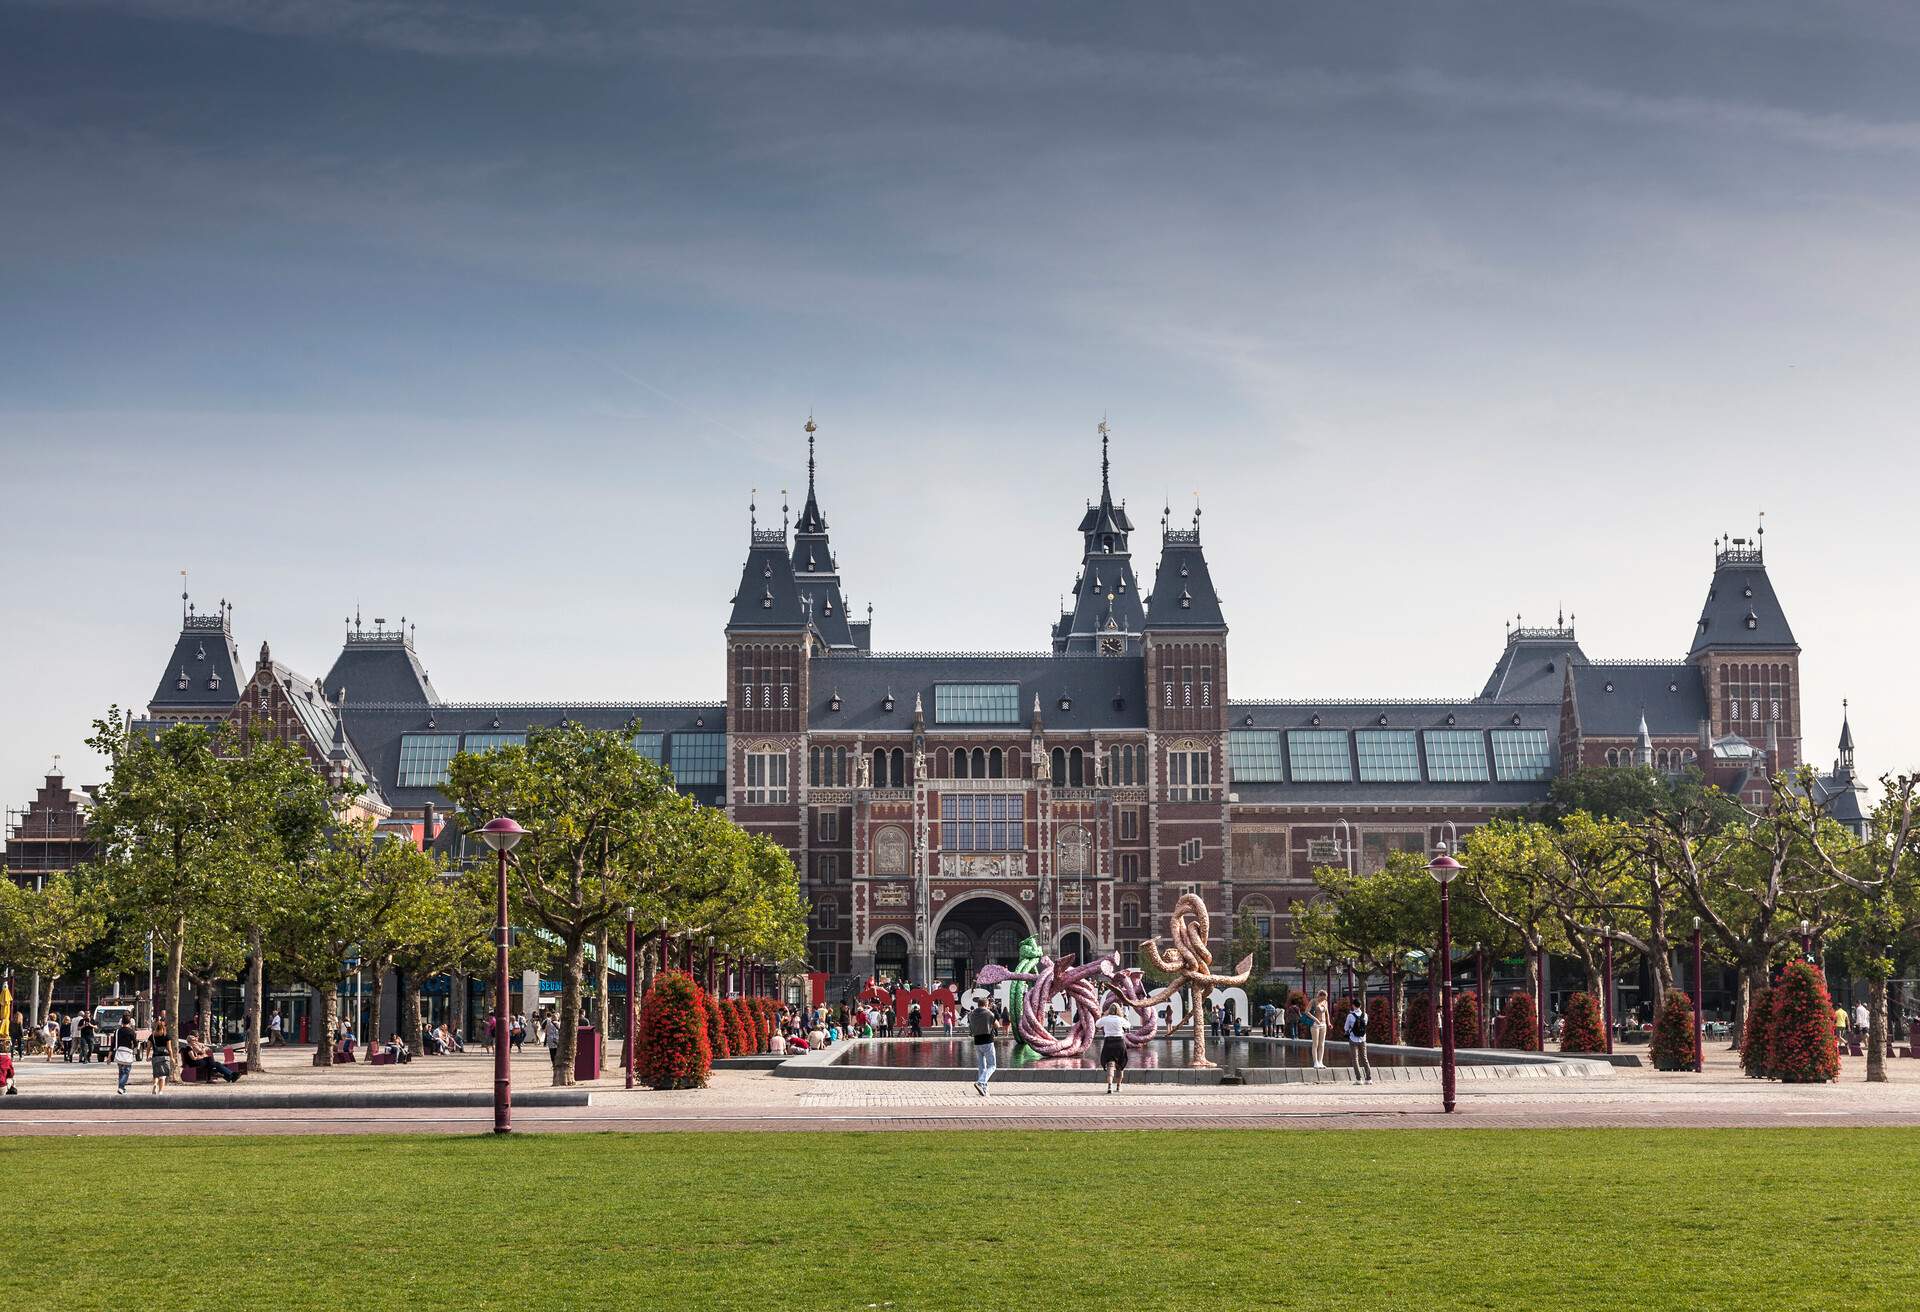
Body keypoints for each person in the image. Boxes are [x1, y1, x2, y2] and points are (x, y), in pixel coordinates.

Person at [968, 994, 1000, 1097]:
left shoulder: (971, 1014)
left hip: (977, 1041)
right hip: (987, 1040)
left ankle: (984, 1089)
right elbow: (997, 1025)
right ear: (986, 1004)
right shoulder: (989, 1013)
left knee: (982, 1066)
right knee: (992, 1065)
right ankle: (981, 1082)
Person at [1096, 1001, 1130, 1094]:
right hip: (1119, 1042)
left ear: (1109, 1010)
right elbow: (1128, 1026)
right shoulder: (1120, 1019)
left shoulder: (1106, 1019)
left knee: (1110, 1065)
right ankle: (1119, 1087)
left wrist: (1103, 1015)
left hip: (1108, 1042)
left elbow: (1097, 1024)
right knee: (1120, 1066)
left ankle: (1109, 1086)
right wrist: (1123, 1017)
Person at [1344, 997, 1372, 1083]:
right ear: (1360, 1005)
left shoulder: (1350, 1016)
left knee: (1355, 1059)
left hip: (1353, 1039)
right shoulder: (1365, 1015)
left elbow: (1345, 1028)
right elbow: (1365, 1024)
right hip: (1363, 1039)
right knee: (1364, 1058)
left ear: (1353, 1005)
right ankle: (1369, 1078)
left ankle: (1359, 1079)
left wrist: (1348, 1030)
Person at [113, 1016, 138, 1094]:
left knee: (121, 1071)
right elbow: (135, 1043)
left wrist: (110, 1055)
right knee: (126, 1072)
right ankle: (121, 1087)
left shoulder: (117, 1031)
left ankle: (122, 1088)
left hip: (119, 1052)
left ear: (121, 1022)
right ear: (130, 1022)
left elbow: (113, 1044)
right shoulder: (131, 1032)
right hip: (127, 1053)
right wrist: (134, 1049)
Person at [150, 1019, 172, 1093]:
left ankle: (155, 1084)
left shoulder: (152, 1036)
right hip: (164, 1057)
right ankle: (160, 1091)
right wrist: (172, 1057)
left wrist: (147, 1056)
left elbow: (148, 1047)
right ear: (164, 1027)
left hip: (155, 1056)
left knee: (156, 1074)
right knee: (163, 1075)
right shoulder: (166, 1036)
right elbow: (169, 1048)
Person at [1310, 990, 1330, 1069]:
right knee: (1315, 1043)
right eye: (1323, 998)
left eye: (1325, 998)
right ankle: (1315, 1062)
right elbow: (1307, 1012)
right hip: (1315, 1024)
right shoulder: (1313, 1001)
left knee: (1322, 1044)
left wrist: (1329, 1023)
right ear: (1320, 996)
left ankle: (1320, 1061)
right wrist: (1315, 1019)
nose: (1323, 1000)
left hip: (1323, 1024)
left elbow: (1327, 1013)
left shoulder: (1325, 1002)